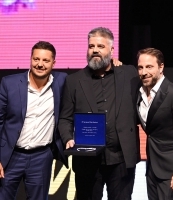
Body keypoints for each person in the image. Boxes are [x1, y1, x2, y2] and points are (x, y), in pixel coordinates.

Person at [58, 27, 141, 200]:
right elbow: (65, 118)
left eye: (100, 46)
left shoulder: (129, 73)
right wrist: (67, 138)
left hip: (121, 159)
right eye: (91, 46)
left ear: (111, 50)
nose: (95, 50)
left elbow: (151, 90)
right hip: (87, 160)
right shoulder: (73, 81)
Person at [0, 41, 68, 200]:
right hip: (10, 156)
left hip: (42, 156)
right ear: (30, 59)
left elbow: (87, 75)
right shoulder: (9, 84)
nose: (40, 64)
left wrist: (113, 62)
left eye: (45, 60)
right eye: (36, 59)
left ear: (54, 63)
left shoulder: (61, 81)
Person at [137, 48, 173, 200]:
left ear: (161, 67)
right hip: (152, 170)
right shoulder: (139, 93)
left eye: (149, 67)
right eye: (140, 67)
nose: (144, 72)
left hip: (172, 173)